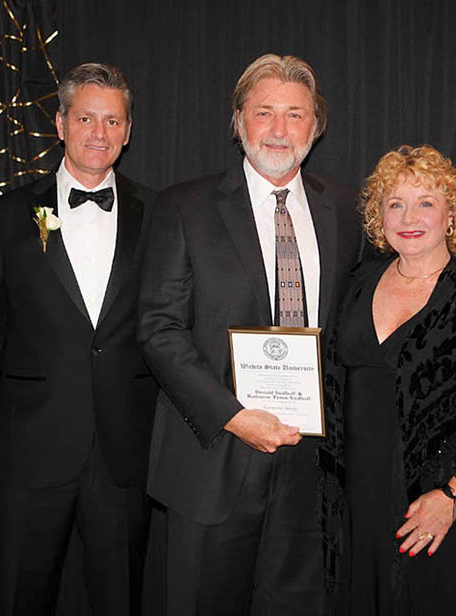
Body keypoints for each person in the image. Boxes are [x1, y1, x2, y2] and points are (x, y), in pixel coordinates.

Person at [137, 53, 360, 615]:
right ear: (238, 122)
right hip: (212, 457)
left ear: (318, 125)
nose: (280, 130)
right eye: (264, 113)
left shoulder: (345, 212)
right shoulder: (183, 207)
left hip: (311, 472)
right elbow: (159, 328)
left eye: (295, 114)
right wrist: (235, 417)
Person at [0, 63, 157, 615]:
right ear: (60, 123)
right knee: (21, 600)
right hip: (30, 454)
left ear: (128, 131)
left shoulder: (161, 215)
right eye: (85, 117)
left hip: (125, 456)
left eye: (112, 120)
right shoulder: (5, 217)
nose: (98, 133)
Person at [319, 145, 456, 615]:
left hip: (433, 504)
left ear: (452, 217)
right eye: (395, 203)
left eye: (426, 202)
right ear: (379, 217)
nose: (408, 216)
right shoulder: (356, 282)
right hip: (355, 501)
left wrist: (453, 497)